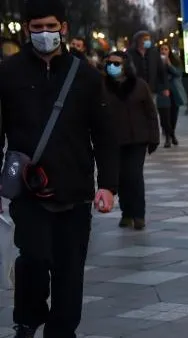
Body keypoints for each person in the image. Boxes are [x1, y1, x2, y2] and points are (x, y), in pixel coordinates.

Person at [0, 0, 119, 336]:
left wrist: (108, 185)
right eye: (37, 28)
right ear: (27, 29)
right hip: (28, 189)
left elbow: (105, 135)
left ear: (64, 28)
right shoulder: (8, 73)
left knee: (70, 271)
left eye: (51, 27)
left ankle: (62, 330)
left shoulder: (85, 76)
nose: (45, 34)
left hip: (75, 189)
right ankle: (27, 316)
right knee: (34, 258)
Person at [104, 51, 159, 231]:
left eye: (117, 63)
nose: (112, 66)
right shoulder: (102, 86)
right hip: (114, 140)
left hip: (137, 139)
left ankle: (138, 214)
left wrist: (153, 137)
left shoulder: (139, 85)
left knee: (134, 176)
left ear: (126, 65)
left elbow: (151, 113)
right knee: (121, 178)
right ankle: (126, 213)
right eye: (110, 63)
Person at [127, 31, 169, 100]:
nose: (148, 41)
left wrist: (165, 87)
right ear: (138, 40)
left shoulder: (154, 53)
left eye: (149, 39)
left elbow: (161, 71)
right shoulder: (130, 54)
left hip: (151, 90)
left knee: (151, 109)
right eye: (145, 39)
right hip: (135, 89)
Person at [159, 45, 188, 145]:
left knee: (173, 115)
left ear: (169, 51)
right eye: (161, 49)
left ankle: (171, 134)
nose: (163, 51)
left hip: (174, 92)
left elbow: (178, 73)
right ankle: (168, 136)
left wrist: (169, 64)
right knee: (164, 117)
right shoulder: (156, 62)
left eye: (166, 49)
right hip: (163, 93)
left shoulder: (175, 61)